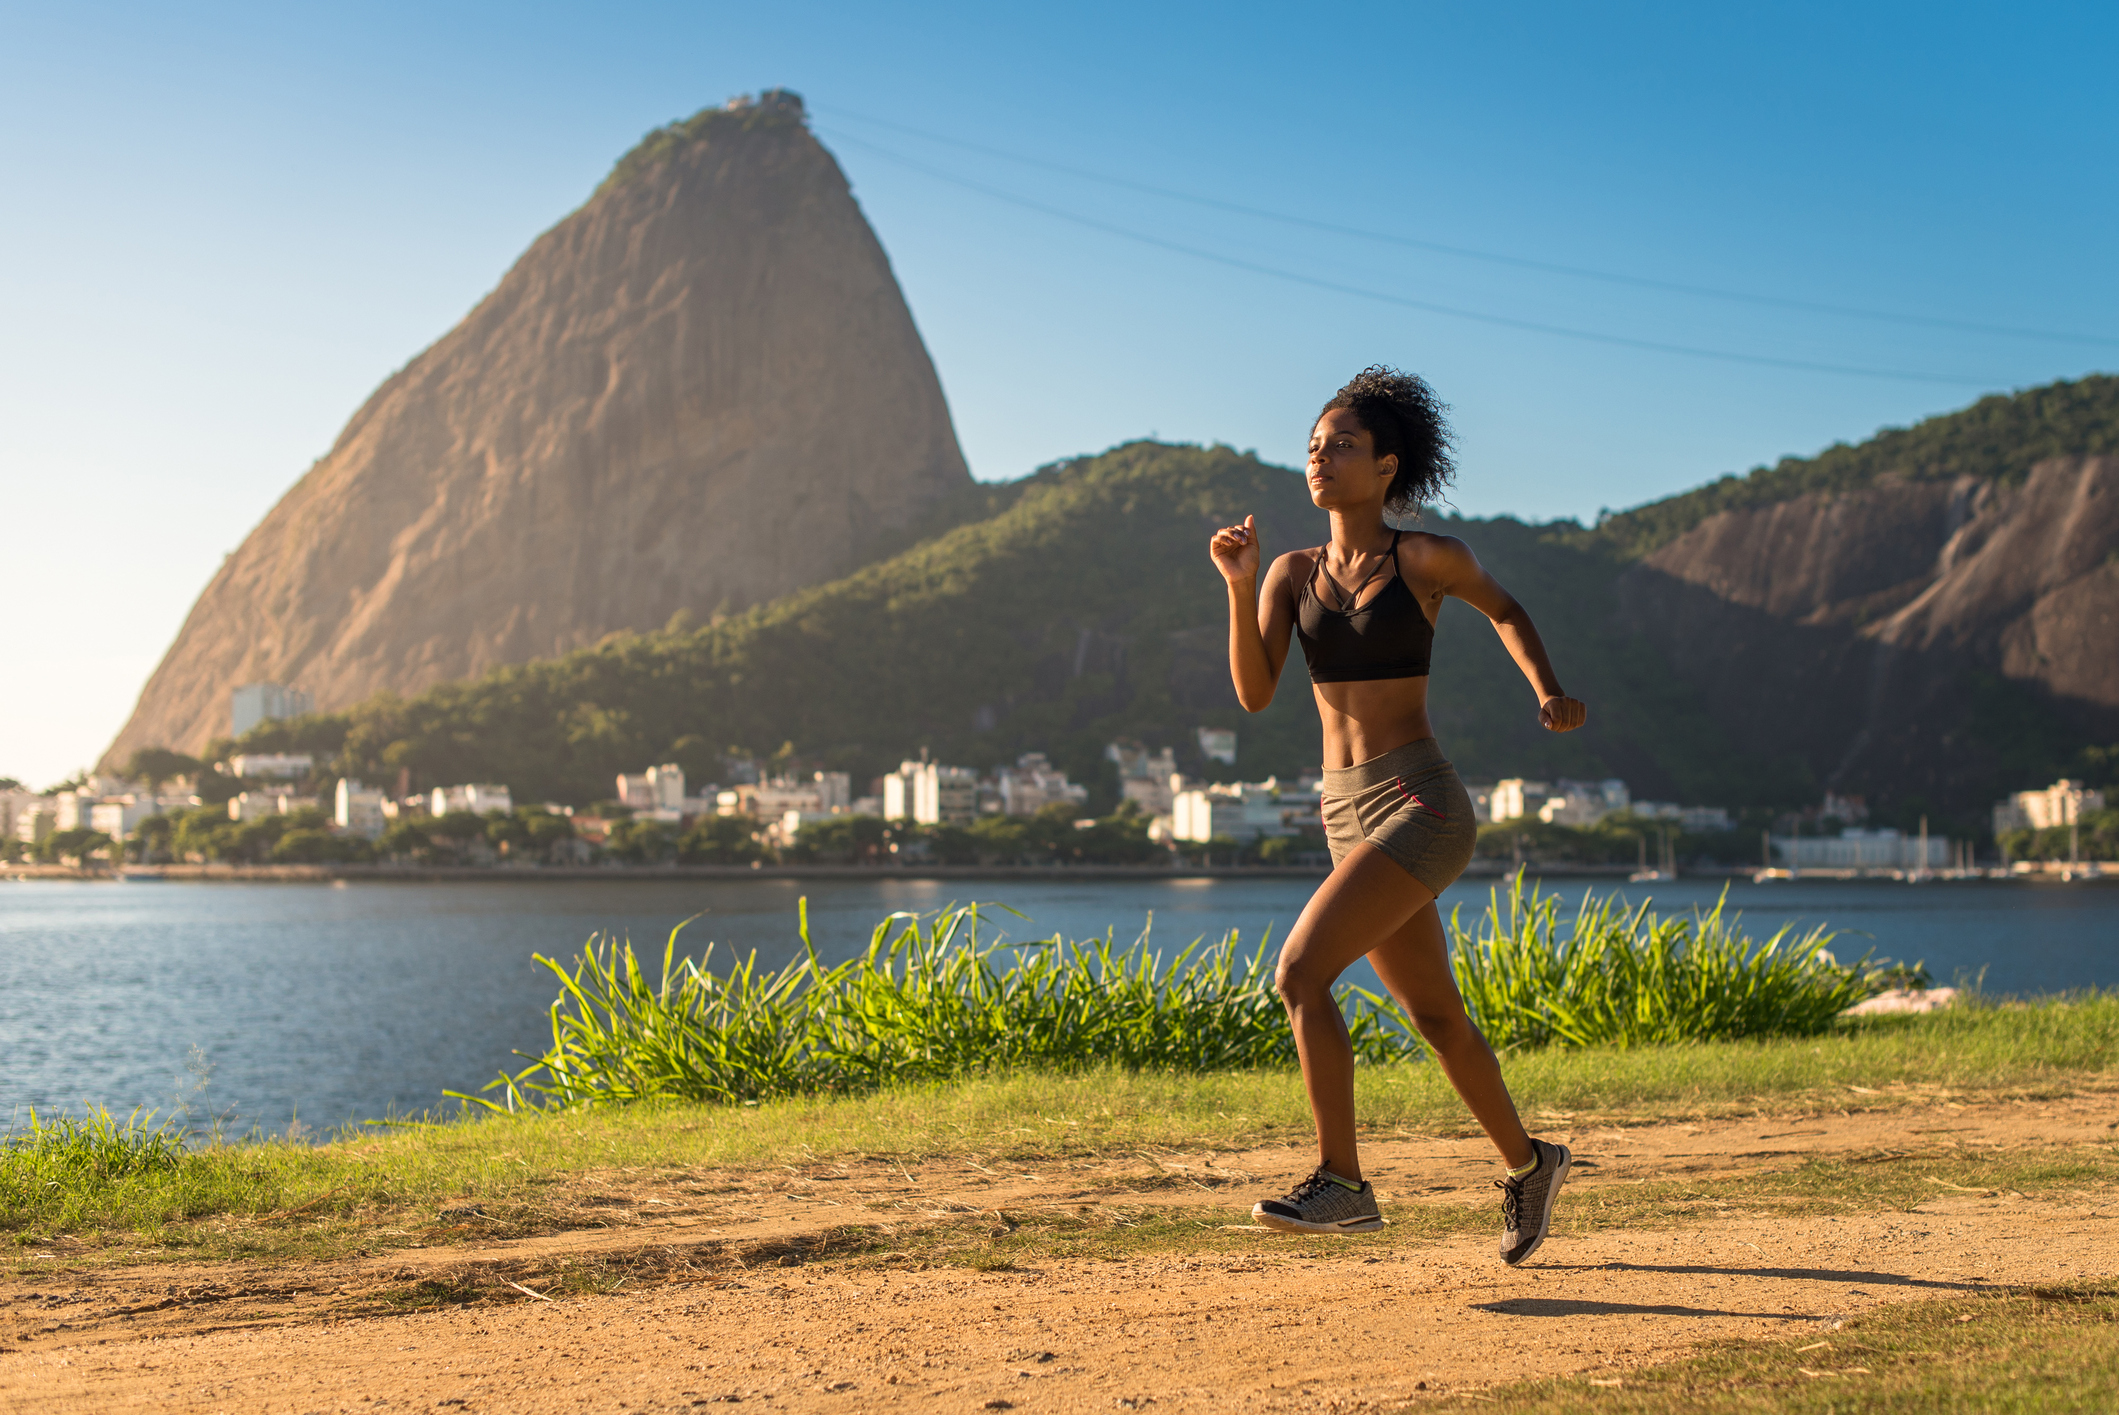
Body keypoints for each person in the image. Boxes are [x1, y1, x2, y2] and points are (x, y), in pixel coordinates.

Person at [1208, 365, 1587, 1265]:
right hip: (1345, 814)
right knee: (1436, 1018)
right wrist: (1238, 580)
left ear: (1386, 465)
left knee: (1300, 974)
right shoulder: (1290, 574)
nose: (1320, 458)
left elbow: (1506, 608)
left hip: (1419, 799)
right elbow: (1256, 695)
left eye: (1340, 445)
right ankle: (1531, 1164)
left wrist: (1548, 688)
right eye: (1311, 445)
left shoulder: (1424, 558)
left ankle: (1341, 1180)